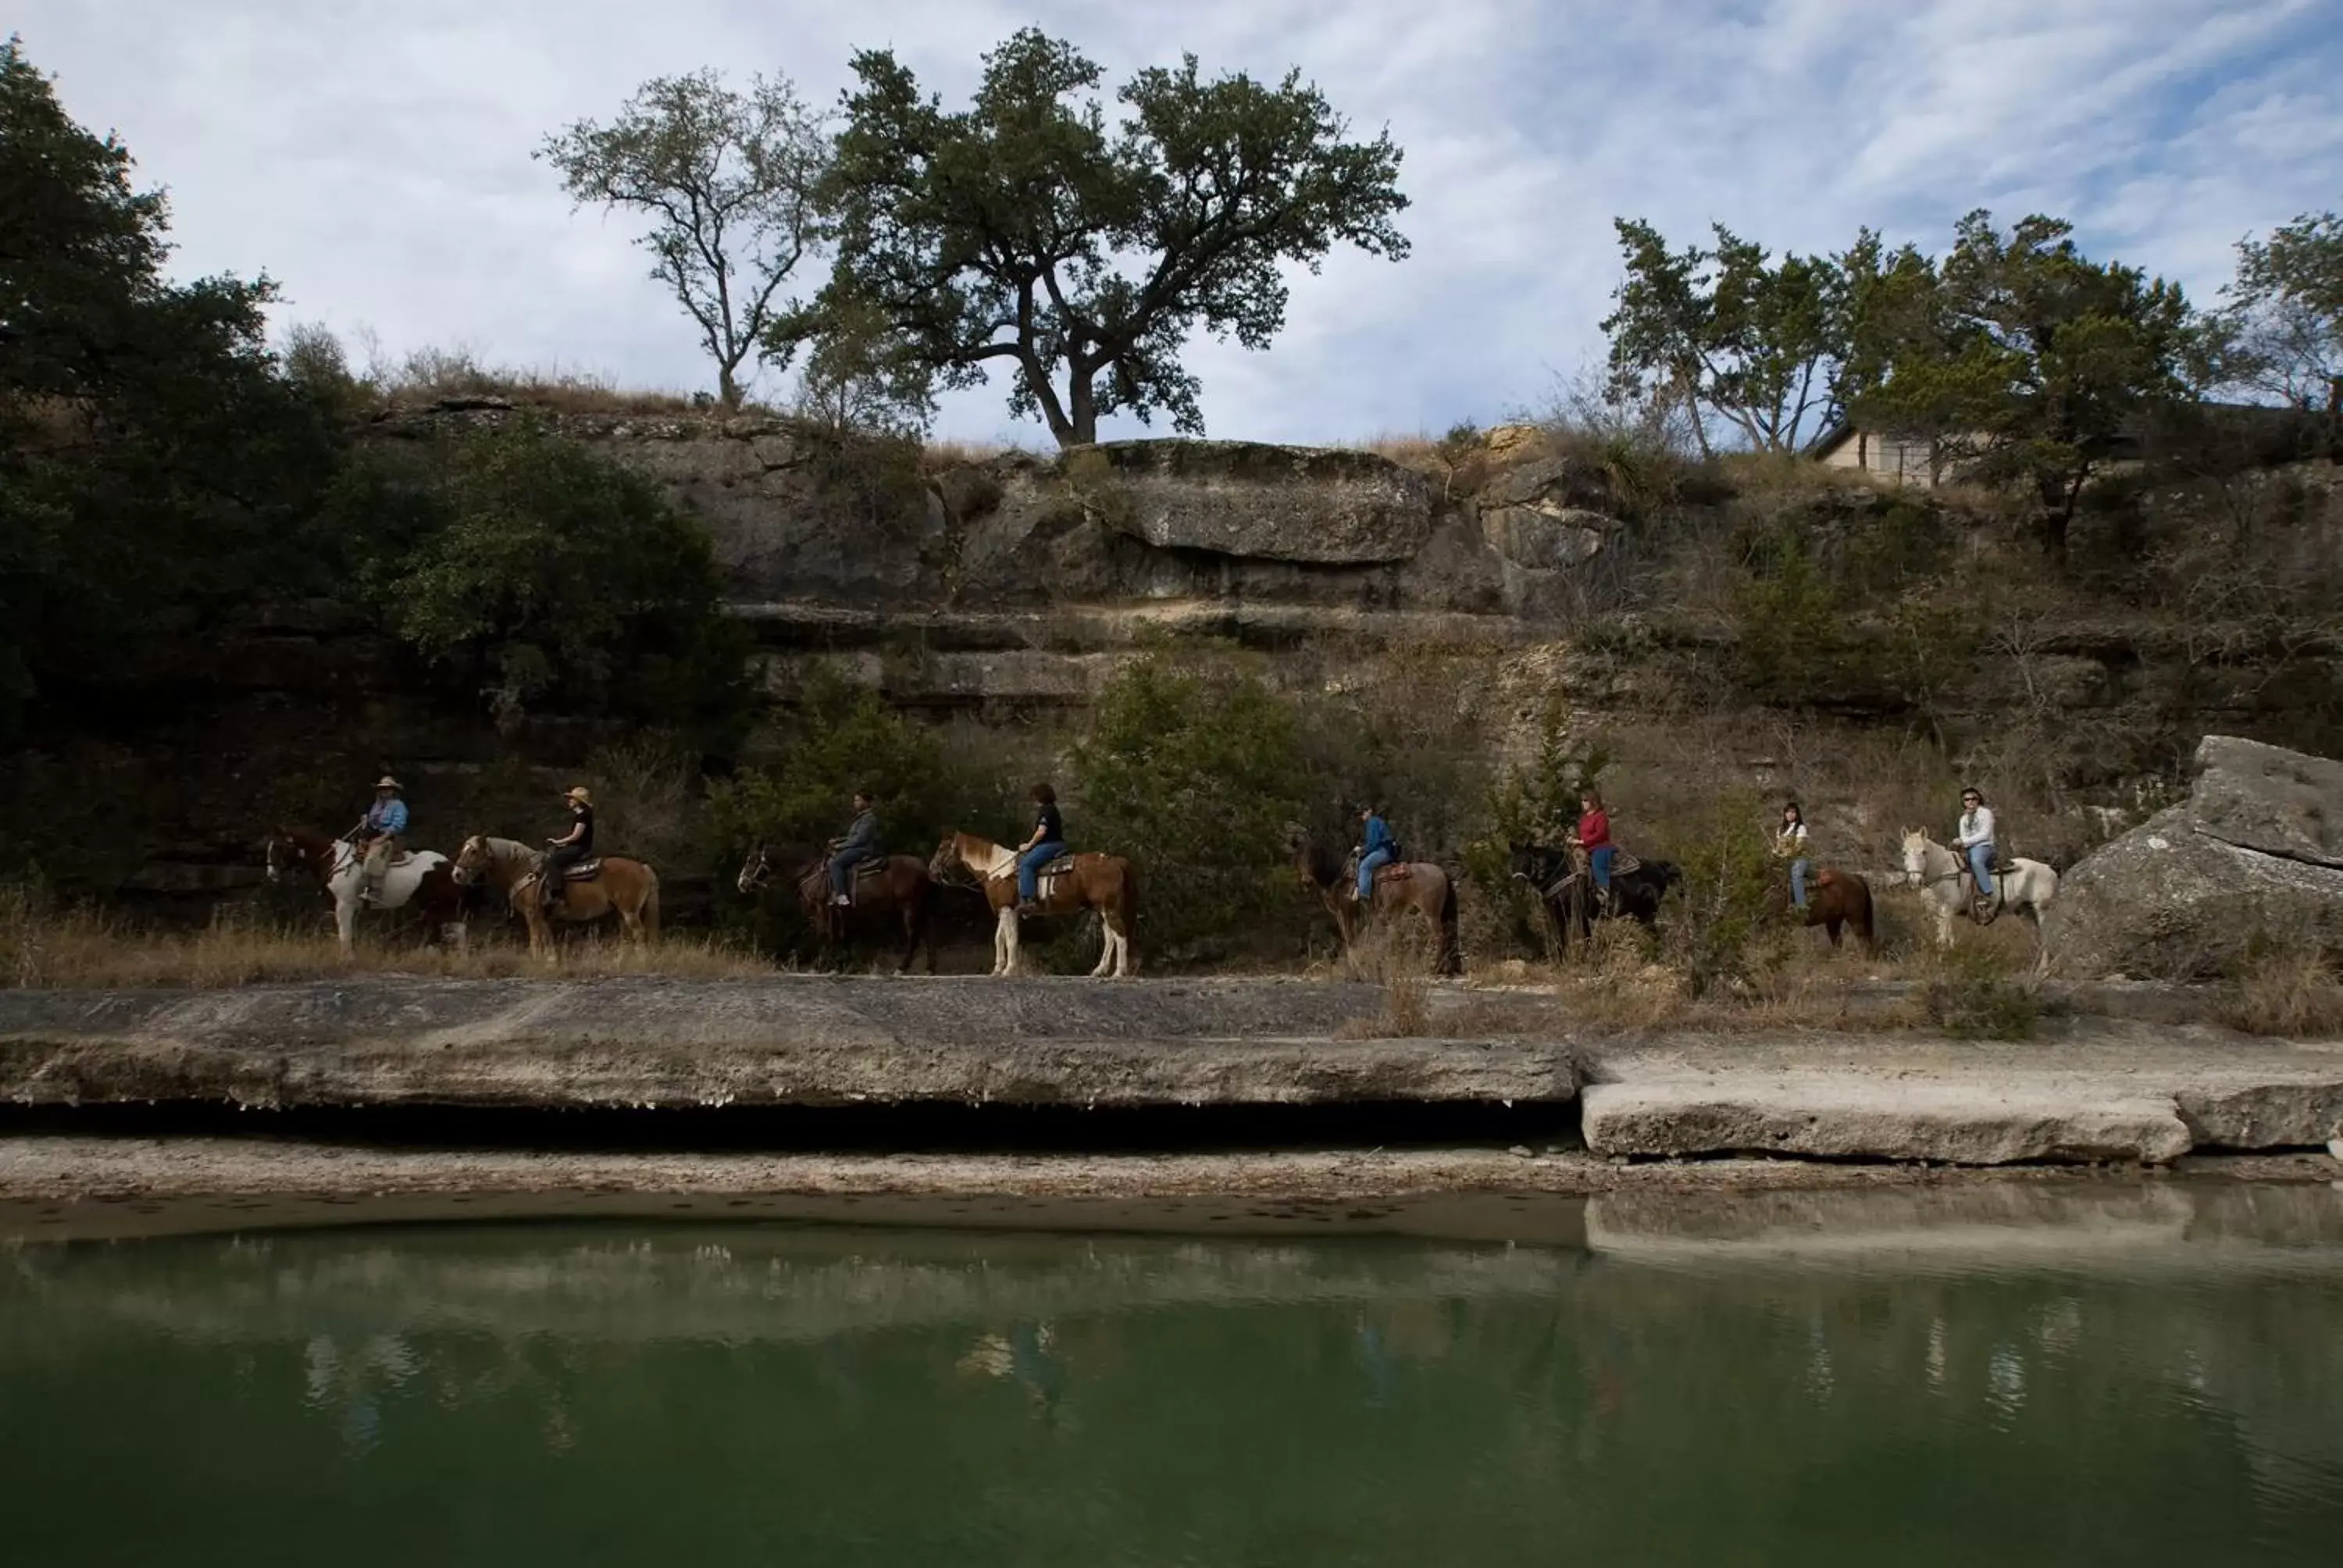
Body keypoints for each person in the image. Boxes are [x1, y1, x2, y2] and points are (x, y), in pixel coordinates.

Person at [351, 775, 408, 903]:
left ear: (393, 791)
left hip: (390, 837)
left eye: (388, 789)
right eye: (383, 789)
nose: (385, 791)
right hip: (373, 835)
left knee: (374, 856)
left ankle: (374, 891)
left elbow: (398, 825)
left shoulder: (399, 806)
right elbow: (372, 823)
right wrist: (366, 823)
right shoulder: (377, 805)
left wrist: (383, 838)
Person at [1015, 782, 1066, 917]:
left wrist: (1028, 845)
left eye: (1035, 797)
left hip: (1050, 844)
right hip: (1057, 843)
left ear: (1040, 796)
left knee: (1026, 863)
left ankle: (1029, 900)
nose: (1034, 801)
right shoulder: (1052, 809)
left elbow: (1041, 832)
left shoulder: (1046, 810)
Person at [542, 786, 595, 912]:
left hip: (580, 848)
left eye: (572, 799)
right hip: (579, 845)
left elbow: (576, 836)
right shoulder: (583, 814)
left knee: (552, 862)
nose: (569, 801)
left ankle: (557, 894)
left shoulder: (583, 816)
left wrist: (558, 842)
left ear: (578, 801)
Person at [828, 789, 881, 907]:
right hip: (854, 847)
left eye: (858, 800)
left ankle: (841, 895)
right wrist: (838, 841)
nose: (855, 803)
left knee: (835, 863)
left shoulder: (869, 818)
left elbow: (860, 839)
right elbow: (851, 837)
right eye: (855, 800)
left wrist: (840, 846)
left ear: (867, 802)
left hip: (861, 849)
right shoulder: (860, 818)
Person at [1573, 789, 1615, 911]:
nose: (1583, 803)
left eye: (1585, 800)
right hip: (1587, 848)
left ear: (1593, 801)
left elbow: (1600, 834)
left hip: (1601, 847)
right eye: (1582, 801)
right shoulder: (1584, 818)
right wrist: (1573, 840)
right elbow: (1583, 834)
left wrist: (1583, 842)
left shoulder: (1601, 816)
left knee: (1597, 864)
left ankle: (1605, 893)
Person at [1953, 786, 1996, 902]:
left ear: (1979, 800)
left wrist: (1964, 841)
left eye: (1974, 799)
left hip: (1985, 847)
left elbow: (1985, 835)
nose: (1970, 802)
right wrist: (1960, 841)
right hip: (1968, 848)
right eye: (1967, 800)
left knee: (1976, 861)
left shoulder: (1986, 813)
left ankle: (1988, 893)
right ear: (1963, 802)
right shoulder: (1963, 819)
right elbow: (1963, 835)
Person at [1354, 803, 1396, 903]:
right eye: (1360, 814)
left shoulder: (1372, 823)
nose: (1362, 816)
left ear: (1369, 811)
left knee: (1364, 866)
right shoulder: (1376, 822)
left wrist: (1362, 849)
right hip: (1385, 849)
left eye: (1363, 813)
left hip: (1382, 851)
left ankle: (1364, 895)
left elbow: (1374, 843)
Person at [1776, 800, 1813, 910]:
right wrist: (1776, 853)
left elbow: (1798, 847)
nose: (1790, 815)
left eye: (1793, 812)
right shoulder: (1780, 829)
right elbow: (1779, 847)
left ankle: (1801, 905)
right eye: (1788, 812)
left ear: (1797, 814)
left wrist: (1786, 854)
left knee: (1796, 875)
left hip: (1799, 859)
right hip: (1784, 860)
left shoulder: (1801, 828)